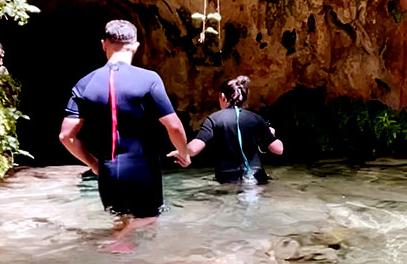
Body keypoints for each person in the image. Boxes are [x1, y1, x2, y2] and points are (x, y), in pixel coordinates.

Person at [58, 19, 191, 218]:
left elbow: (66, 136)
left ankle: (117, 243)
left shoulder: (85, 84)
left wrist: (94, 165)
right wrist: (184, 153)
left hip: (108, 172)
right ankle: (123, 242)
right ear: (136, 47)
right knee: (146, 224)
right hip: (143, 170)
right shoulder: (149, 79)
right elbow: (173, 126)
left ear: (103, 44)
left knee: (120, 222)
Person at [184, 75, 283, 184]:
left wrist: (181, 150)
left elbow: (194, 149)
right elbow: (278, 149)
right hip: (255, 177)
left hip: (227, 177)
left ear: (222, 97)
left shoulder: (214, 119)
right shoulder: (256, 119)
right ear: (245, 98)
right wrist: (270, 133)